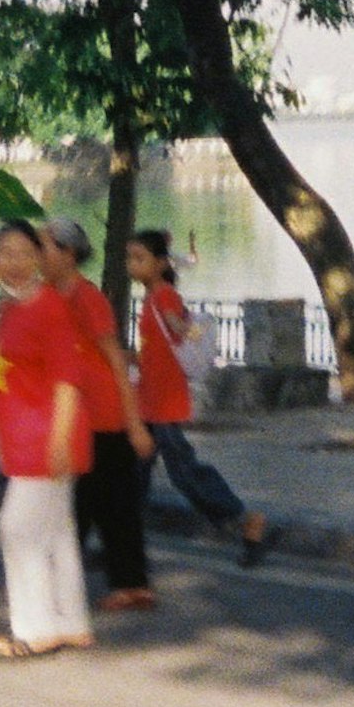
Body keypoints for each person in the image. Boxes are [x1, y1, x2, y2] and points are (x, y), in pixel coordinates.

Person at [0, 217, 95, 659]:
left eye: (24, 253)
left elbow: (69, 378)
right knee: (56, 532)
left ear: (39, 257)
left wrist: (60, 439)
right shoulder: (12, 306)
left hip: (47, 436)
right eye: (4, 254)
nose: (14, 263)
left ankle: (35, 627)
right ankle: (70, 622)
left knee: (19, 527)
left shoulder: (50, 308)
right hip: (24, 436)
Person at [37, 217, 158, 612]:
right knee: (98, 505)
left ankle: (113, 584)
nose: (37, 256)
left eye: (44, 248)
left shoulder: (88, 299)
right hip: (80, 417)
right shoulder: (52, 295)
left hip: (105, 416)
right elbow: (7, 280)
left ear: (68, 254)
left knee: (95, 505)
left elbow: (115, 361)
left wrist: (135, 423)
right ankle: (129, 583)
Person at [127, 228, 268, 564]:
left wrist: (190, 330)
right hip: (148, 398)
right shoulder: (152, 297)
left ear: (160, 264)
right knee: (135, 474)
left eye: (139, 259)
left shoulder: (163, 296)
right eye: (129, 258)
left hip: (164, 400)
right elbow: (154, 349)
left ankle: (247, 521)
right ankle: (125, 545)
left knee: (185, 473)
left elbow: (179, 330)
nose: (131, 265)